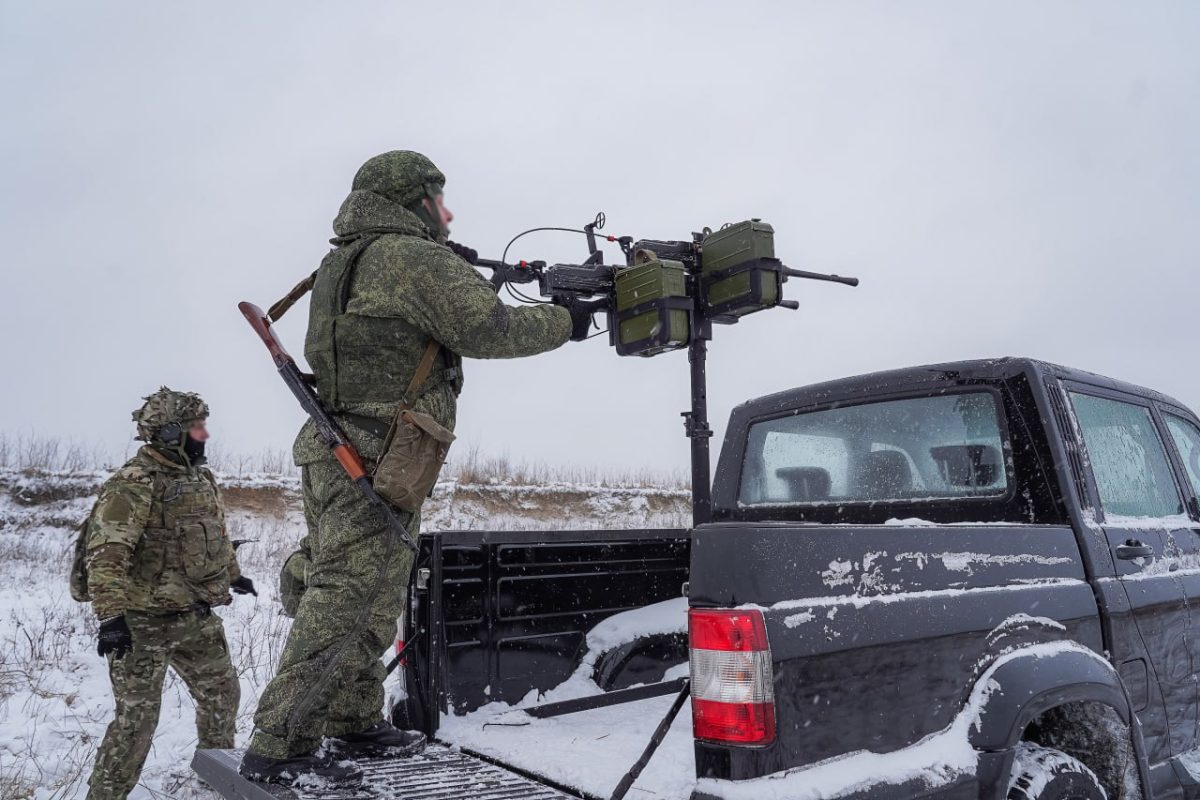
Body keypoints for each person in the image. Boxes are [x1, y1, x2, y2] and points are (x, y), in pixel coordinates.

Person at [240, 150, 591, 783]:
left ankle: (351, 717)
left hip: (340, 446)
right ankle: (279, 742)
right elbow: (489, 328)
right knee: (349, 598)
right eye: (439, 199)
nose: (447, 213)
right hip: (375, 455)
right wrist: (569, 320)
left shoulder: (346, 259)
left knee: (369, 592)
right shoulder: (406, 257)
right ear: (415, 201)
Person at [83, 388, 256, 800]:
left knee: (222, 696)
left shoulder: (199, 478)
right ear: (169, 433)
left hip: (195, 618)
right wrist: (111, 618)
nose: (205, 435)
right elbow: (107, 554)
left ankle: (216, 774)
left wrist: (233, 575)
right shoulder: (133, 483)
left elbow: (215, 536)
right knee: (136, 724)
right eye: (197, 428)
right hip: (142, 627)